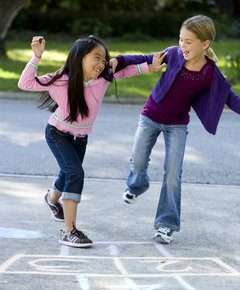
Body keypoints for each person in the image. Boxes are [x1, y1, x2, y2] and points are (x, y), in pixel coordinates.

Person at [18, 35, 166, 248]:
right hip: (57, 133)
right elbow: (25, 83)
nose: (100, 64)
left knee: (67, 173)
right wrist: (36, 57)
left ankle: (51, 200)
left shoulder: (103, 78)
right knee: (75, 174)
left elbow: (125, 71)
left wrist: (148, 68)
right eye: (96, 57)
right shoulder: (61, 80)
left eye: (103, 59)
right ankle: (69, 231)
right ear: (79, 57)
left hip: (81, 137)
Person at [111, 15, 240, 244]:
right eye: (181, 39)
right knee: (138, 161)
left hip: (177, 125)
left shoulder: (209, 72)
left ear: (205, 44)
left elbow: (230, 98)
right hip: (151, 115)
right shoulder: (172, 54)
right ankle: (137, 185)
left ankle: (166, 224)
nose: (183, 45)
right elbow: (143, 58)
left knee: (173, 173)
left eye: (189, 41)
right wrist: (119, 60)